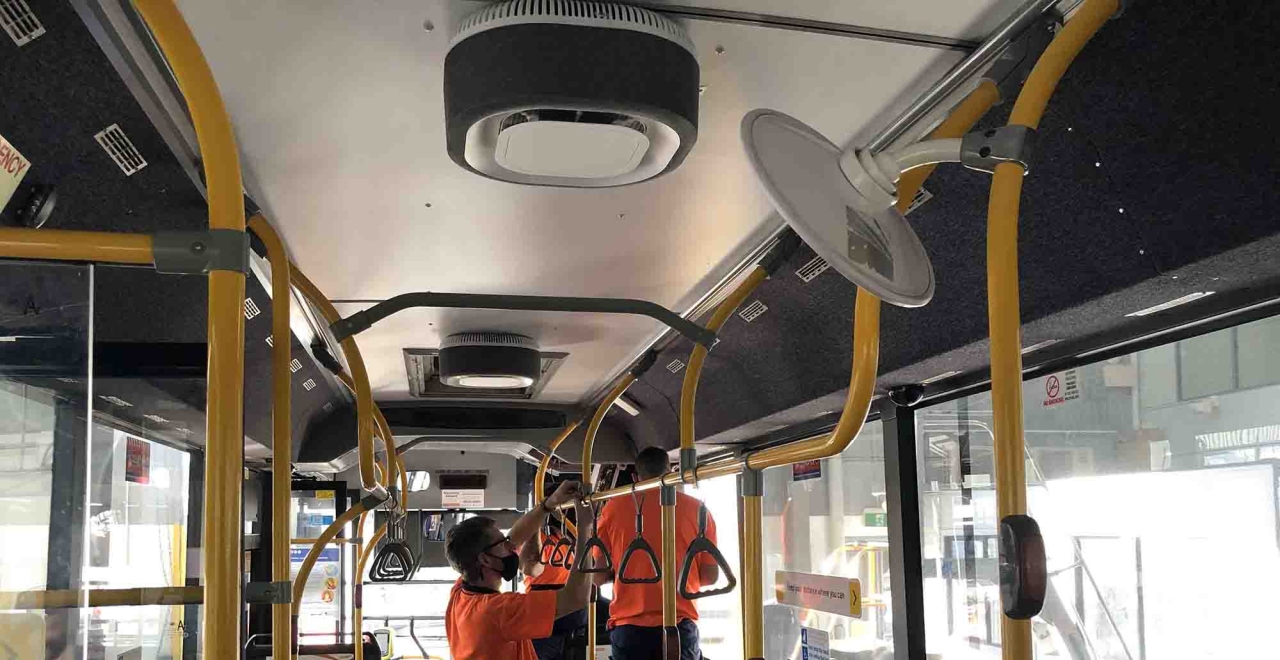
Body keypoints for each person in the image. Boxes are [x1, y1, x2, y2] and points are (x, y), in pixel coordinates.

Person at [593, 447, 720, 660]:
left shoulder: (612, 508)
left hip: (630, 629)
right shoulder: (698, 510)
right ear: (670, 470)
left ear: (635, 476)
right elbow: (710, 576)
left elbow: (597, 576)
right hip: (679, 627)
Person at [444, 480, 593, 660]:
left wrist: (548, 505)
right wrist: (585, 530)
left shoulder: (461, 594)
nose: (511, 546)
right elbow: (576, 597)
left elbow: (515, 537)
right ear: (485, 559)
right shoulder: (498, 610)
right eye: (502, 543)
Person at [518, 517, 586, 660]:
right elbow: (530, 567)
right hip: (558, 600)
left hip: (558, 600)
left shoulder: (564, 538)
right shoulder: (537, 539)